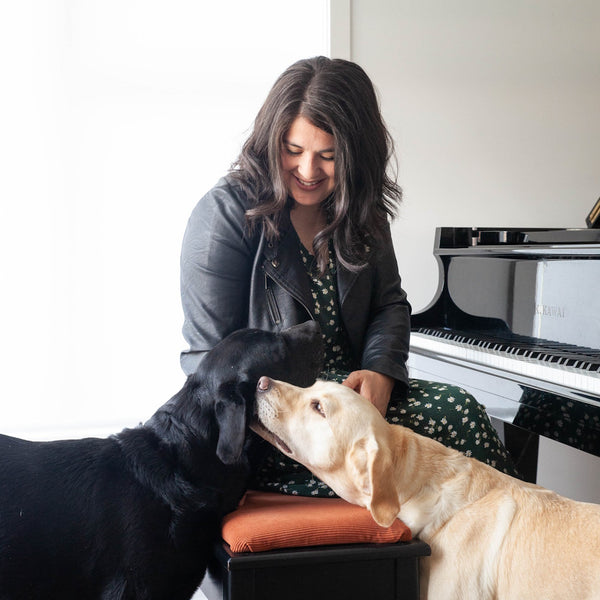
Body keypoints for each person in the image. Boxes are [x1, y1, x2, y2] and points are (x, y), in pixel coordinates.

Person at [180, 56, 517, 496]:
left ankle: (494, 551)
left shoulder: (361, 210)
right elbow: (207, 363)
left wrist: (380, 370)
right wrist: (287, 414)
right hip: (274, 425)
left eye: (328, 156)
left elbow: (388, 304)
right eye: (293, 151)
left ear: (355, 155)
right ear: (270, 141)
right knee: (457, 422)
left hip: (354, 406)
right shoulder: (224, 214)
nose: (307, 171)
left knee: (464, 411)